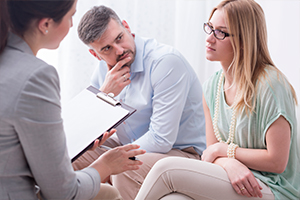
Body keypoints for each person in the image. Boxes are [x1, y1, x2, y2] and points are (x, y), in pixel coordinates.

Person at [134, 0, 300, 199]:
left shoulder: (271, 85)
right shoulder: (212, 86)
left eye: (220, 32)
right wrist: (229, 162)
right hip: (229, 175)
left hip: (273, 188)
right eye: (210, 28)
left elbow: (277, 162)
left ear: (244, 41)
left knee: (165, 170)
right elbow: (210, 154)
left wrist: (225, 151)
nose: (209, 39)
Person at [0, 0, 146, 199]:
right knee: (109, 195)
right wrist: (105, 165)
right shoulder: (35, 76)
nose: (71, 25)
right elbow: (63, 192)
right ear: (45, 25)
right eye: (71, 16)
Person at [72, 5, 206, 200]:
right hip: (133, 143)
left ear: (126, 27)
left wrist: (112, 159)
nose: (119, 50)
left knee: (124, 166)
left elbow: (161, 139)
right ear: (96, 54)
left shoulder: (165, 62)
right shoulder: (103, 70)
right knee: (72, 158)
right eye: (107, 48)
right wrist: (105, 93)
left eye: (119, 38)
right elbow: (86, 130)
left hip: (181, 152)